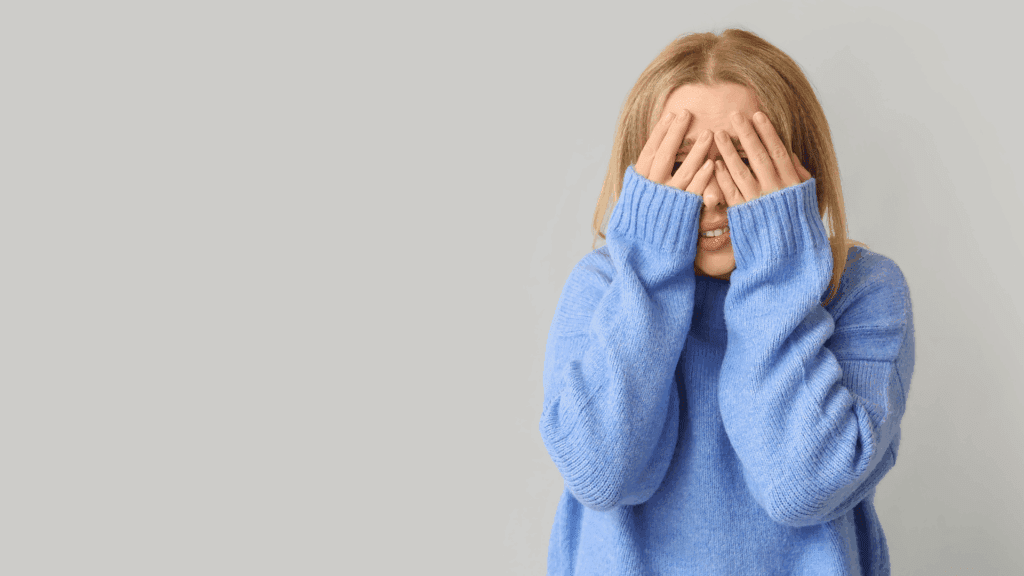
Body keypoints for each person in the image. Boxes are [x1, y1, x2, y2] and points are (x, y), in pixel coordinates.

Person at [538, 28, 916, 576]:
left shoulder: (865, 291)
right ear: (640, 175)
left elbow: (802, 487)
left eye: (743, 159)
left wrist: (780, 269)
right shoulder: (602, 287)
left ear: (798, 165)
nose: (713, 194)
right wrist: (647, 269)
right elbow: (601, 474)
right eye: (681, 165)